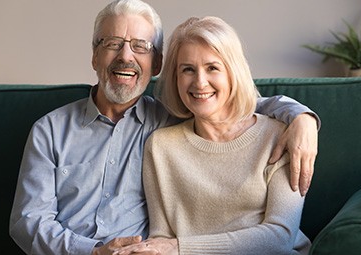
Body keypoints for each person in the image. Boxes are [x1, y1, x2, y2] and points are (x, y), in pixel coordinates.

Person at [9, 1, 318, 255]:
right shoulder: (50, 130)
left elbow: (231, 104)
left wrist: (302, 117)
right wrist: (92, 251)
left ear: (156, 65)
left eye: (140, 46)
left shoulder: (171, 118)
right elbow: (28, 221)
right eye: (112, 43)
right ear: (94, 55)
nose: (125, 56)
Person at [113, 16, 312, 255]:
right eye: (187, 69)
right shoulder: (160, 146)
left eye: (212, 68)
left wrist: (179, 247)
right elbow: (161, 237)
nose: (200, 82)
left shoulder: (279, 136)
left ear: (233, 73)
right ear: (176, 79)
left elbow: (280, 237)